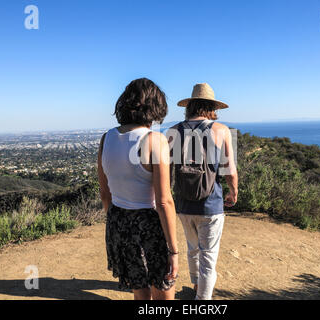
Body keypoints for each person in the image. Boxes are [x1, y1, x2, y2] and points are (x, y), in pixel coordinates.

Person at [98, 78, 179, 300]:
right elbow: (164, 201)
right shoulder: (155, 140)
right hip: (149, 224)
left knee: (140, 291)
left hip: (118, 221)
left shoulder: (107, 138)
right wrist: (174, 250)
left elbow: (105, 193)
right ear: (155, 106)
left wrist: (118, 224)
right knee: (163, 292)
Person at [168, 83, 238, 300]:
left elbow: (166, 169)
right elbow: (230, 169)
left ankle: (197, 286)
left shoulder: (173, 131)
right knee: (209, 257)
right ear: (211, 107)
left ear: (190, 106)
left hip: (183, 204)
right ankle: (202, 302)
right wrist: (233, 192)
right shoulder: (221, 130)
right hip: (211, 204)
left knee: (192, 249)